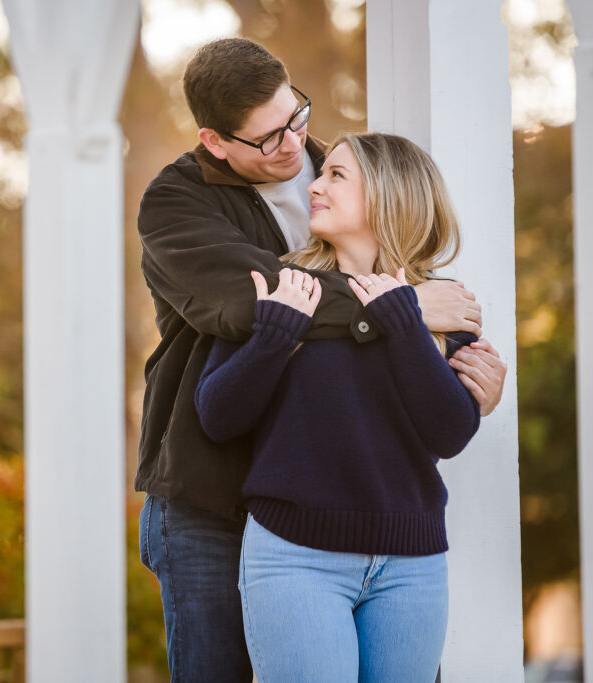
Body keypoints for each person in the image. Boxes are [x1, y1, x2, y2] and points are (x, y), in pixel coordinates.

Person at [135, 38, 508, 681]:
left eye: (296, 117)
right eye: (267, 138)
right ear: (217, 142)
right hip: (213, 493)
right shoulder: (175, 206)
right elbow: (252, 304)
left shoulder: (337, 168)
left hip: (384, 534)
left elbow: (446, 424)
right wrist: (406, 308)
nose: (294, 148)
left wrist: (466, 381)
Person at [195, 132, 481, 681]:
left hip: (411, 566)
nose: (315, 184)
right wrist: (275, 335)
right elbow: (218, 415)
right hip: (295, 559)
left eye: (336, 175)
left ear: (388, 195)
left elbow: (449, 432)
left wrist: (405, 321)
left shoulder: (443, 306)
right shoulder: (281, 286)